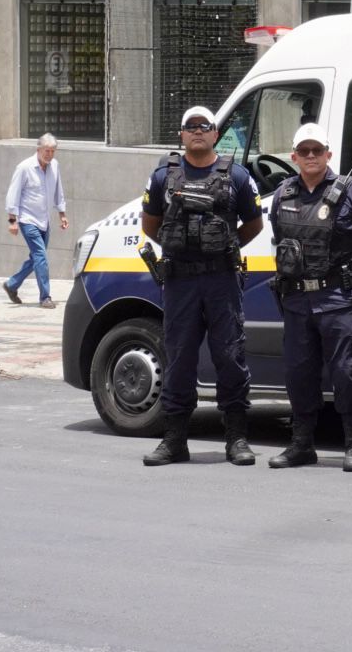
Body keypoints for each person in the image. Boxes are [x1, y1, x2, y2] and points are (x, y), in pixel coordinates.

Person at [139, 106, 264, 467]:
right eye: (190, 126)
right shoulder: (163, 176)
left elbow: (254, 223)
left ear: (215, 134)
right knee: (179, 359)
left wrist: (225, 247)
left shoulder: (236, 175)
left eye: (204, 126)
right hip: (180, 280)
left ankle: (237, 439)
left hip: (221, 279)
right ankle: (175, 440)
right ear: (181, 135)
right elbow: (151, 225)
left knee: (230, 356)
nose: (197, 131)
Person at [266, 123, 352, 472]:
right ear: (294, 156)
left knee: (346, 372)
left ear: (329, 154)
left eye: (317, 150)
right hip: (296, 302)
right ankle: (301, 445)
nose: (311, 156)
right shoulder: (283, 194)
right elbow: (279, 240)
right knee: (299, 374)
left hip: (338, 299)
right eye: (304, 151)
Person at [2, 133, 68, 308]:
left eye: (53, 151)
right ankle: (45, 297)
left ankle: (12, 284)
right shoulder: (24, 168)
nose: (49, 154)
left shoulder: (54, 166)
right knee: (41, 257)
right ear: (38, 150)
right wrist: (12, 221)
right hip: (27, 219)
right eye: (46, 150)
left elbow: (58, 190)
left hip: (44, 221)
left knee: (36, 258)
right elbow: (12, 194)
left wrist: (62, 214)